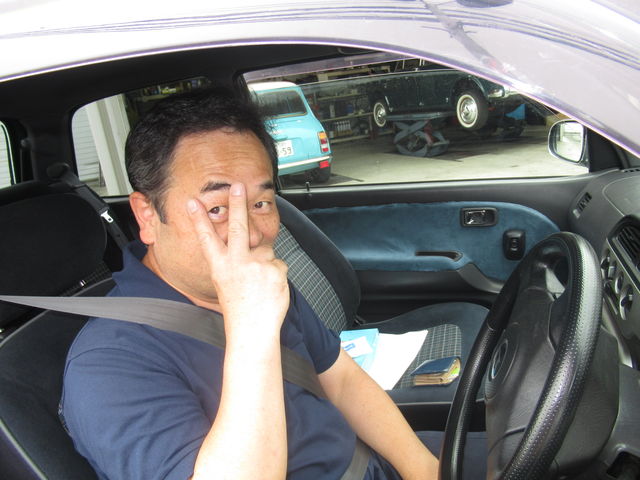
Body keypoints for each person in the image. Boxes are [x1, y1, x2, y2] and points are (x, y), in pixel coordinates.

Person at [60, 87, 439, 479]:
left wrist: (424, 469)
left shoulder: (260, 284)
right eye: (217, 209)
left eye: (260, 203)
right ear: (148, 216)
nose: (253, 235)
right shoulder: (108, 364)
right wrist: (252, 330)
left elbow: (341, 380)